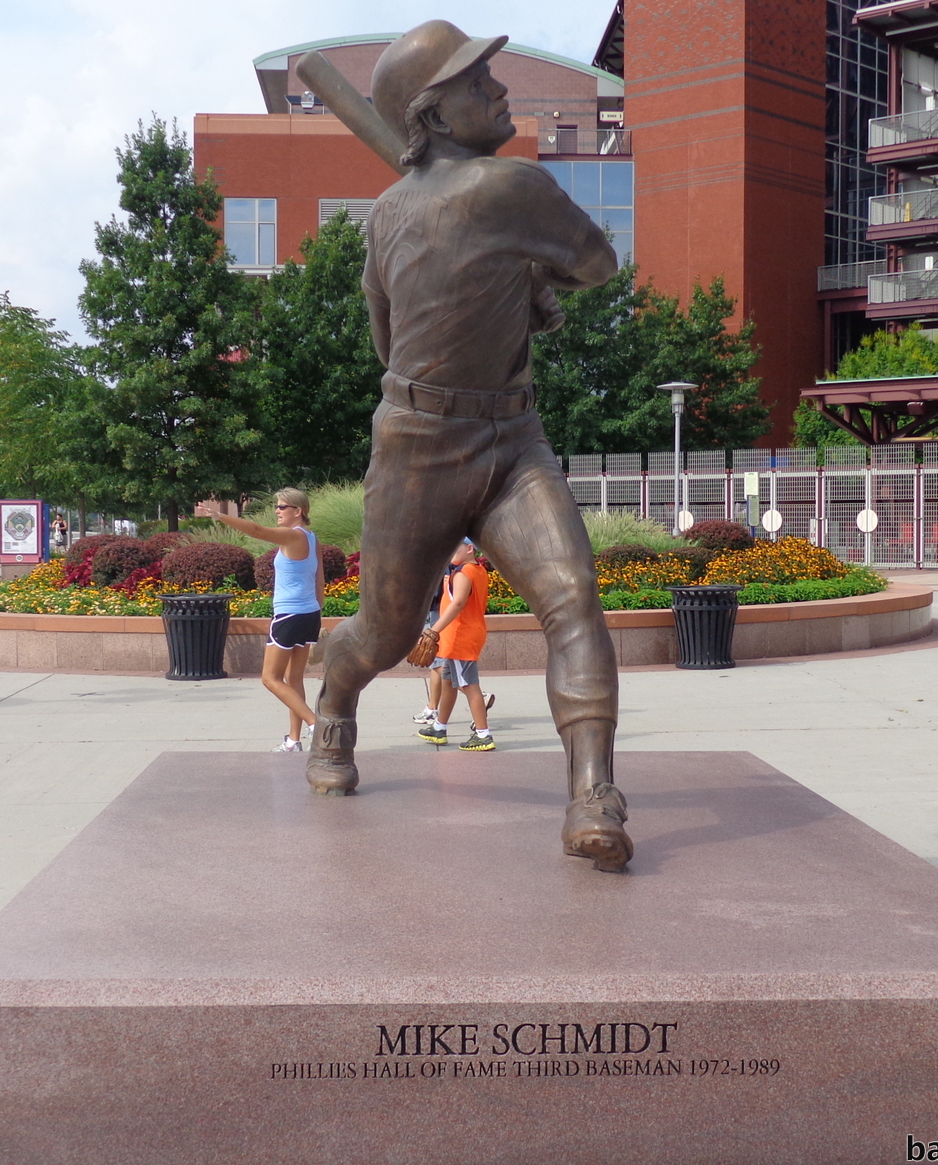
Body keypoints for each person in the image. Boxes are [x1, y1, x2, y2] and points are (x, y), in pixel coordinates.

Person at [305, 21, 632, 871]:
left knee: (572, 597)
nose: (499, 87)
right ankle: (336, 700)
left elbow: (387, 347)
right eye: (476, 79)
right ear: (434, 115)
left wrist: (514, 279)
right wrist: (531, 275)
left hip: (512, 435)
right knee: (381, 633)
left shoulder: (414, 208)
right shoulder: (501, 192)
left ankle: (593, 794)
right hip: (419, 444)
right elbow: (596, 262)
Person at [209, 488, 323, 752]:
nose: (277, 511)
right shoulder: (311, 537)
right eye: (277, 506)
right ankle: (294, 741)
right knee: (293, 681)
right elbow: (319, 579)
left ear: (298, 511)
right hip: (308, 614)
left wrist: (220, 516)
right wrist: (316, 610)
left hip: (289, 616)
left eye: (282, 507)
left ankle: (317, 725)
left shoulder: (293, 535)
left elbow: (257, 531)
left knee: (270, 679)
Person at [418, 538, 495, 750]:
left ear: (470, 548)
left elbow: (458, 603)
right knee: (448, 682)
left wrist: (434, 630)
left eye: (456, 546)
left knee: (468, 685)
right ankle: (439, 727)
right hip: (461, 635)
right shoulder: (477, 569)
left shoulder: (463, 573)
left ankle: (483, 734)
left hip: (460, 636)